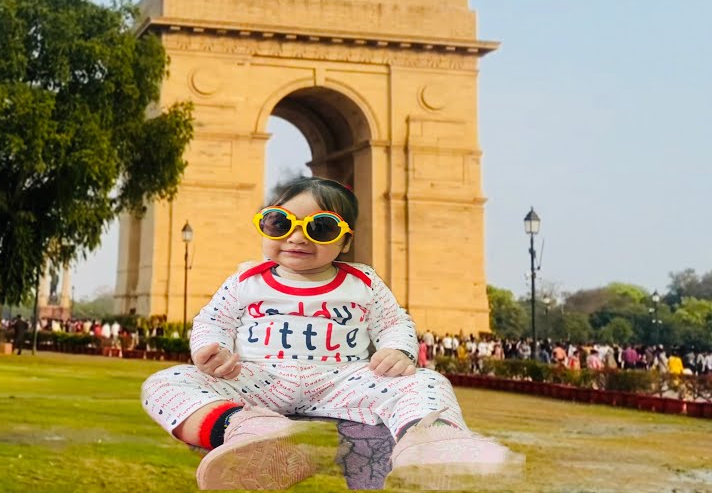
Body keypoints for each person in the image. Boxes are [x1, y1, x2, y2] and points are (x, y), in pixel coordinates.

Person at [140, 177, 523, 490]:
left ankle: (430, 438)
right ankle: (245, 429)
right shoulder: (245, 278)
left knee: (427, 381)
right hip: (257, 378)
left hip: (342, 379)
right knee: (164, 384)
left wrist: (398, 351)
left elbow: (394, 323)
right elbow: (214, 320)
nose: (297, 237)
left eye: (320, 228)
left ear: (345, 241)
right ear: (264, 225)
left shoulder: (363, 281)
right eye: (279, 223)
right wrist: (212, 349)